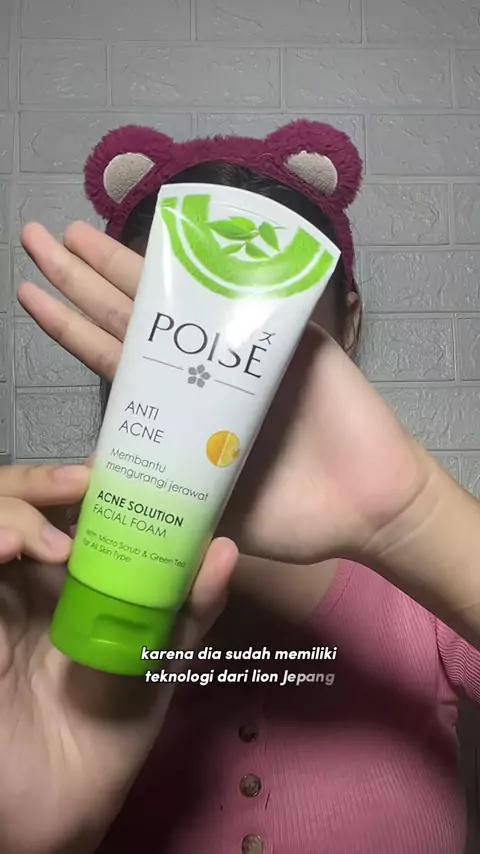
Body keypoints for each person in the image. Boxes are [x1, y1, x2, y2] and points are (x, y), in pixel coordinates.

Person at [1, 120, 479, 854]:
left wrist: (415, 519)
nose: (207, 363)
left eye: (261, 337)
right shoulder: (34, 593)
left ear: (347, 327)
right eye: (166, 326)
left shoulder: (424, 588)